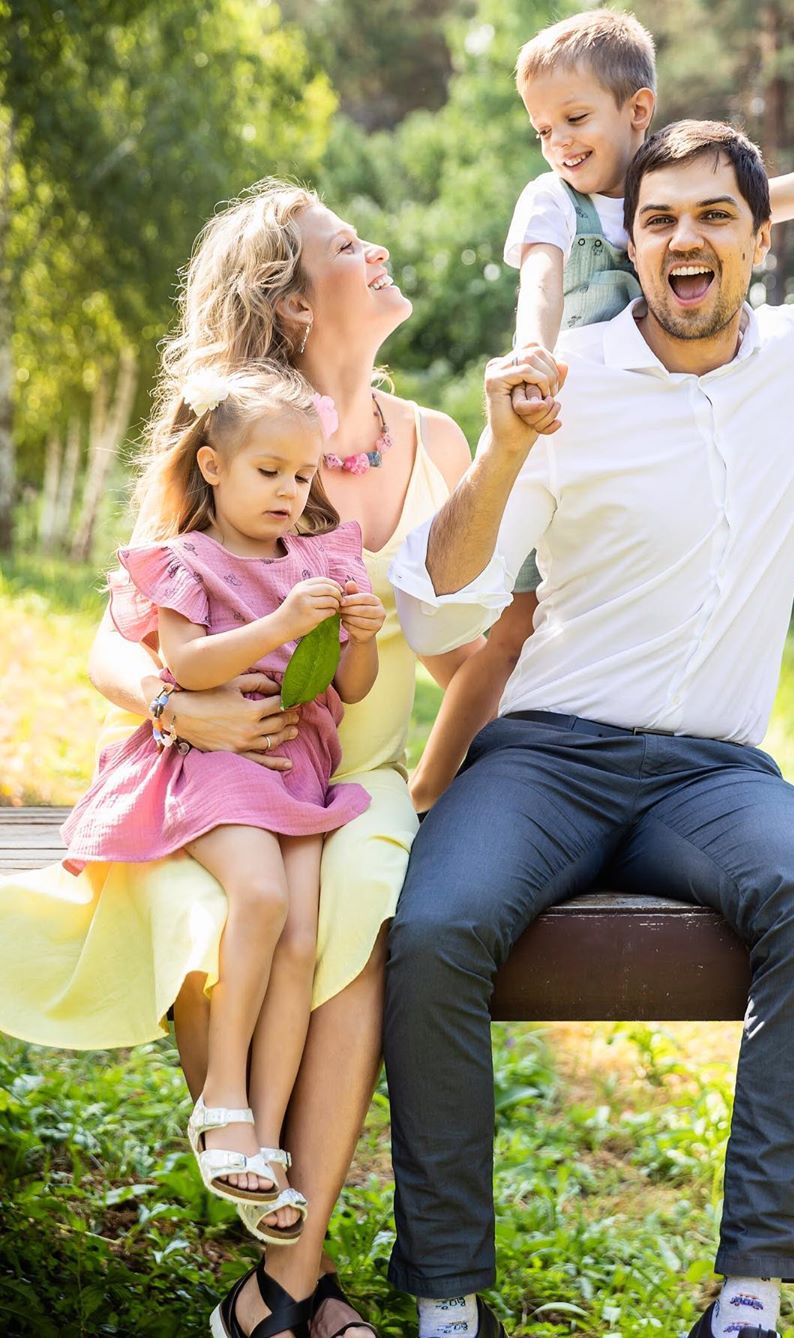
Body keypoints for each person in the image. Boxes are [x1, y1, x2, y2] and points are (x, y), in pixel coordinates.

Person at [385, 85, 794, 1338]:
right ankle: (450, 1298)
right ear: (627, 241)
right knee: (436, 926)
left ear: (757, 234)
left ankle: (748, 1289)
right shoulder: (564, 382)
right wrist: (504, 452)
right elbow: (437, 605)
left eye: (714, 217)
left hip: (715, 776)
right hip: (548, 759)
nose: (685, 240)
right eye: (659, 220)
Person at [0, 180, 480, 1338]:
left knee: (359, 921)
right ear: (292, 301)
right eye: (342, 245)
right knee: (233, 911)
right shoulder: (229, 429)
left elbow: (471, 651)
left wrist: (456, 781)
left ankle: (285, 1282)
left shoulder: (437, 441)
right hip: (211, 758)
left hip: (348, 777)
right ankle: (265, 1213)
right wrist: (178, 709)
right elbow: (122, 641)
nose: (374, 250)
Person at [405, 7, 794, 814]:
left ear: (639, 111)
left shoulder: (693, 191)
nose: (558, 143)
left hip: (656, 452)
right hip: (564, 430)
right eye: (542, 128)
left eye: (575, 119)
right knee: (510, 634)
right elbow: (541, 281)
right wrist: (534, 358)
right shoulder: (554, 200)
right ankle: (432, 794)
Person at [61, 363, 385, 1247]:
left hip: (299, 768)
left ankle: (263, 1136)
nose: (291, 490)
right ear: (212, 467)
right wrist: (282, 625)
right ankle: (224, 1101)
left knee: (305, 942)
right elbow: (188, 667)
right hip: (223, 759)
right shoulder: (186, 560)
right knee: (263, 899)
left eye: (304, 474)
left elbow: (350, 688)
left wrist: (356, 636)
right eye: (268, 471)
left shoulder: (323, 558)